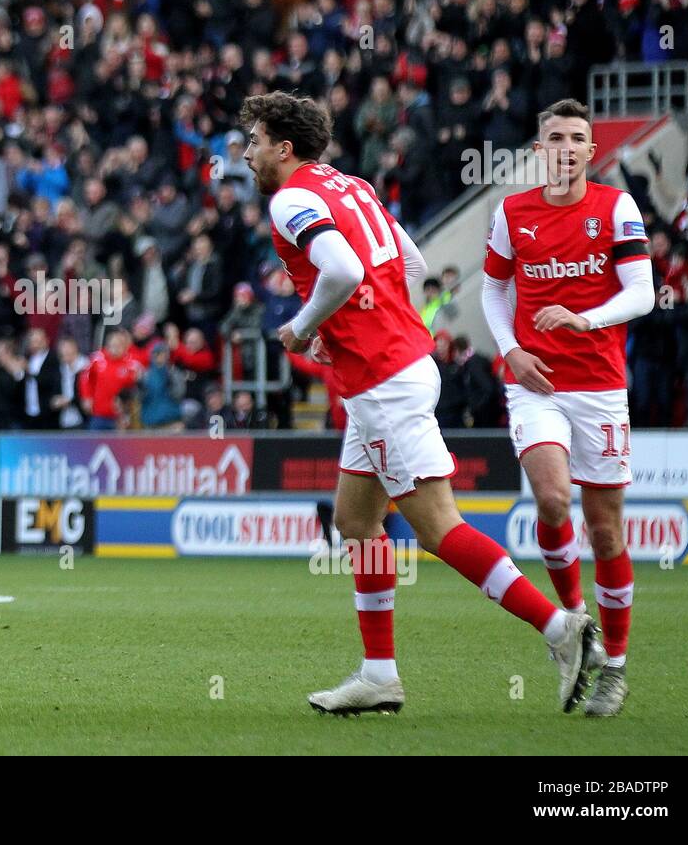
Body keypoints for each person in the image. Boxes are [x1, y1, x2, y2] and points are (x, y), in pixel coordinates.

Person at [241, 90, 596, 716]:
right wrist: (365, 324)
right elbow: (409, 260)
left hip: (383, 380)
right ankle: (379, 675)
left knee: (437, 527)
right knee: (355, 521)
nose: (247, 152)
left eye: (254, 140)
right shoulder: (349, 185)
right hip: (394, 367)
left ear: (283, 146)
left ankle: (559, 629)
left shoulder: (292, 198)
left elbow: (345, 272)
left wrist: (303, 329)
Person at [482, 98, 655, 716]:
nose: (566, 147)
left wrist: (584, 319)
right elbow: (493, 288)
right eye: (554, 136)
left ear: (589, 150)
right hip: (536, 383)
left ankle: (615, 667)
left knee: (606, 531)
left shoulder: (616, 207)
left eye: (577, 138)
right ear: (540, 150)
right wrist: (512, 351)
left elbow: (643, 293)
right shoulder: (512, 212)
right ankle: (574, 619)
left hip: (602, 386)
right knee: (553, 499)